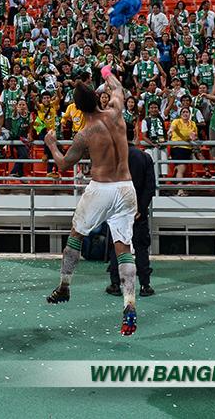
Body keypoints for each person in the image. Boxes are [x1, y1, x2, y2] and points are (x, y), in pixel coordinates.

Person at [44, 68, 139, 336]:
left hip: (101, 188)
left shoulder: (84, 134)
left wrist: (51, 144)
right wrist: (106, 71)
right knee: (124, 248)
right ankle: (129, 303)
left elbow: (64, 164)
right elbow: (118, 87)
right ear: (99, 98)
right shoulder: (116, 111)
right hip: (126, 187)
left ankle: (64, 286)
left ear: (77, 108)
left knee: (76, 234)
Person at [106, 127, 156, 298]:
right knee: (141, 247)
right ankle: (144, 285)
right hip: (138, 211)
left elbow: (107, 185)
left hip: (118, 210)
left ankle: (115, 284)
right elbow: (150, 187)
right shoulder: (144, 157)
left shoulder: (112, 157)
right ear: (134, 136)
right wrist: (140, 209)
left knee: (117, 246)